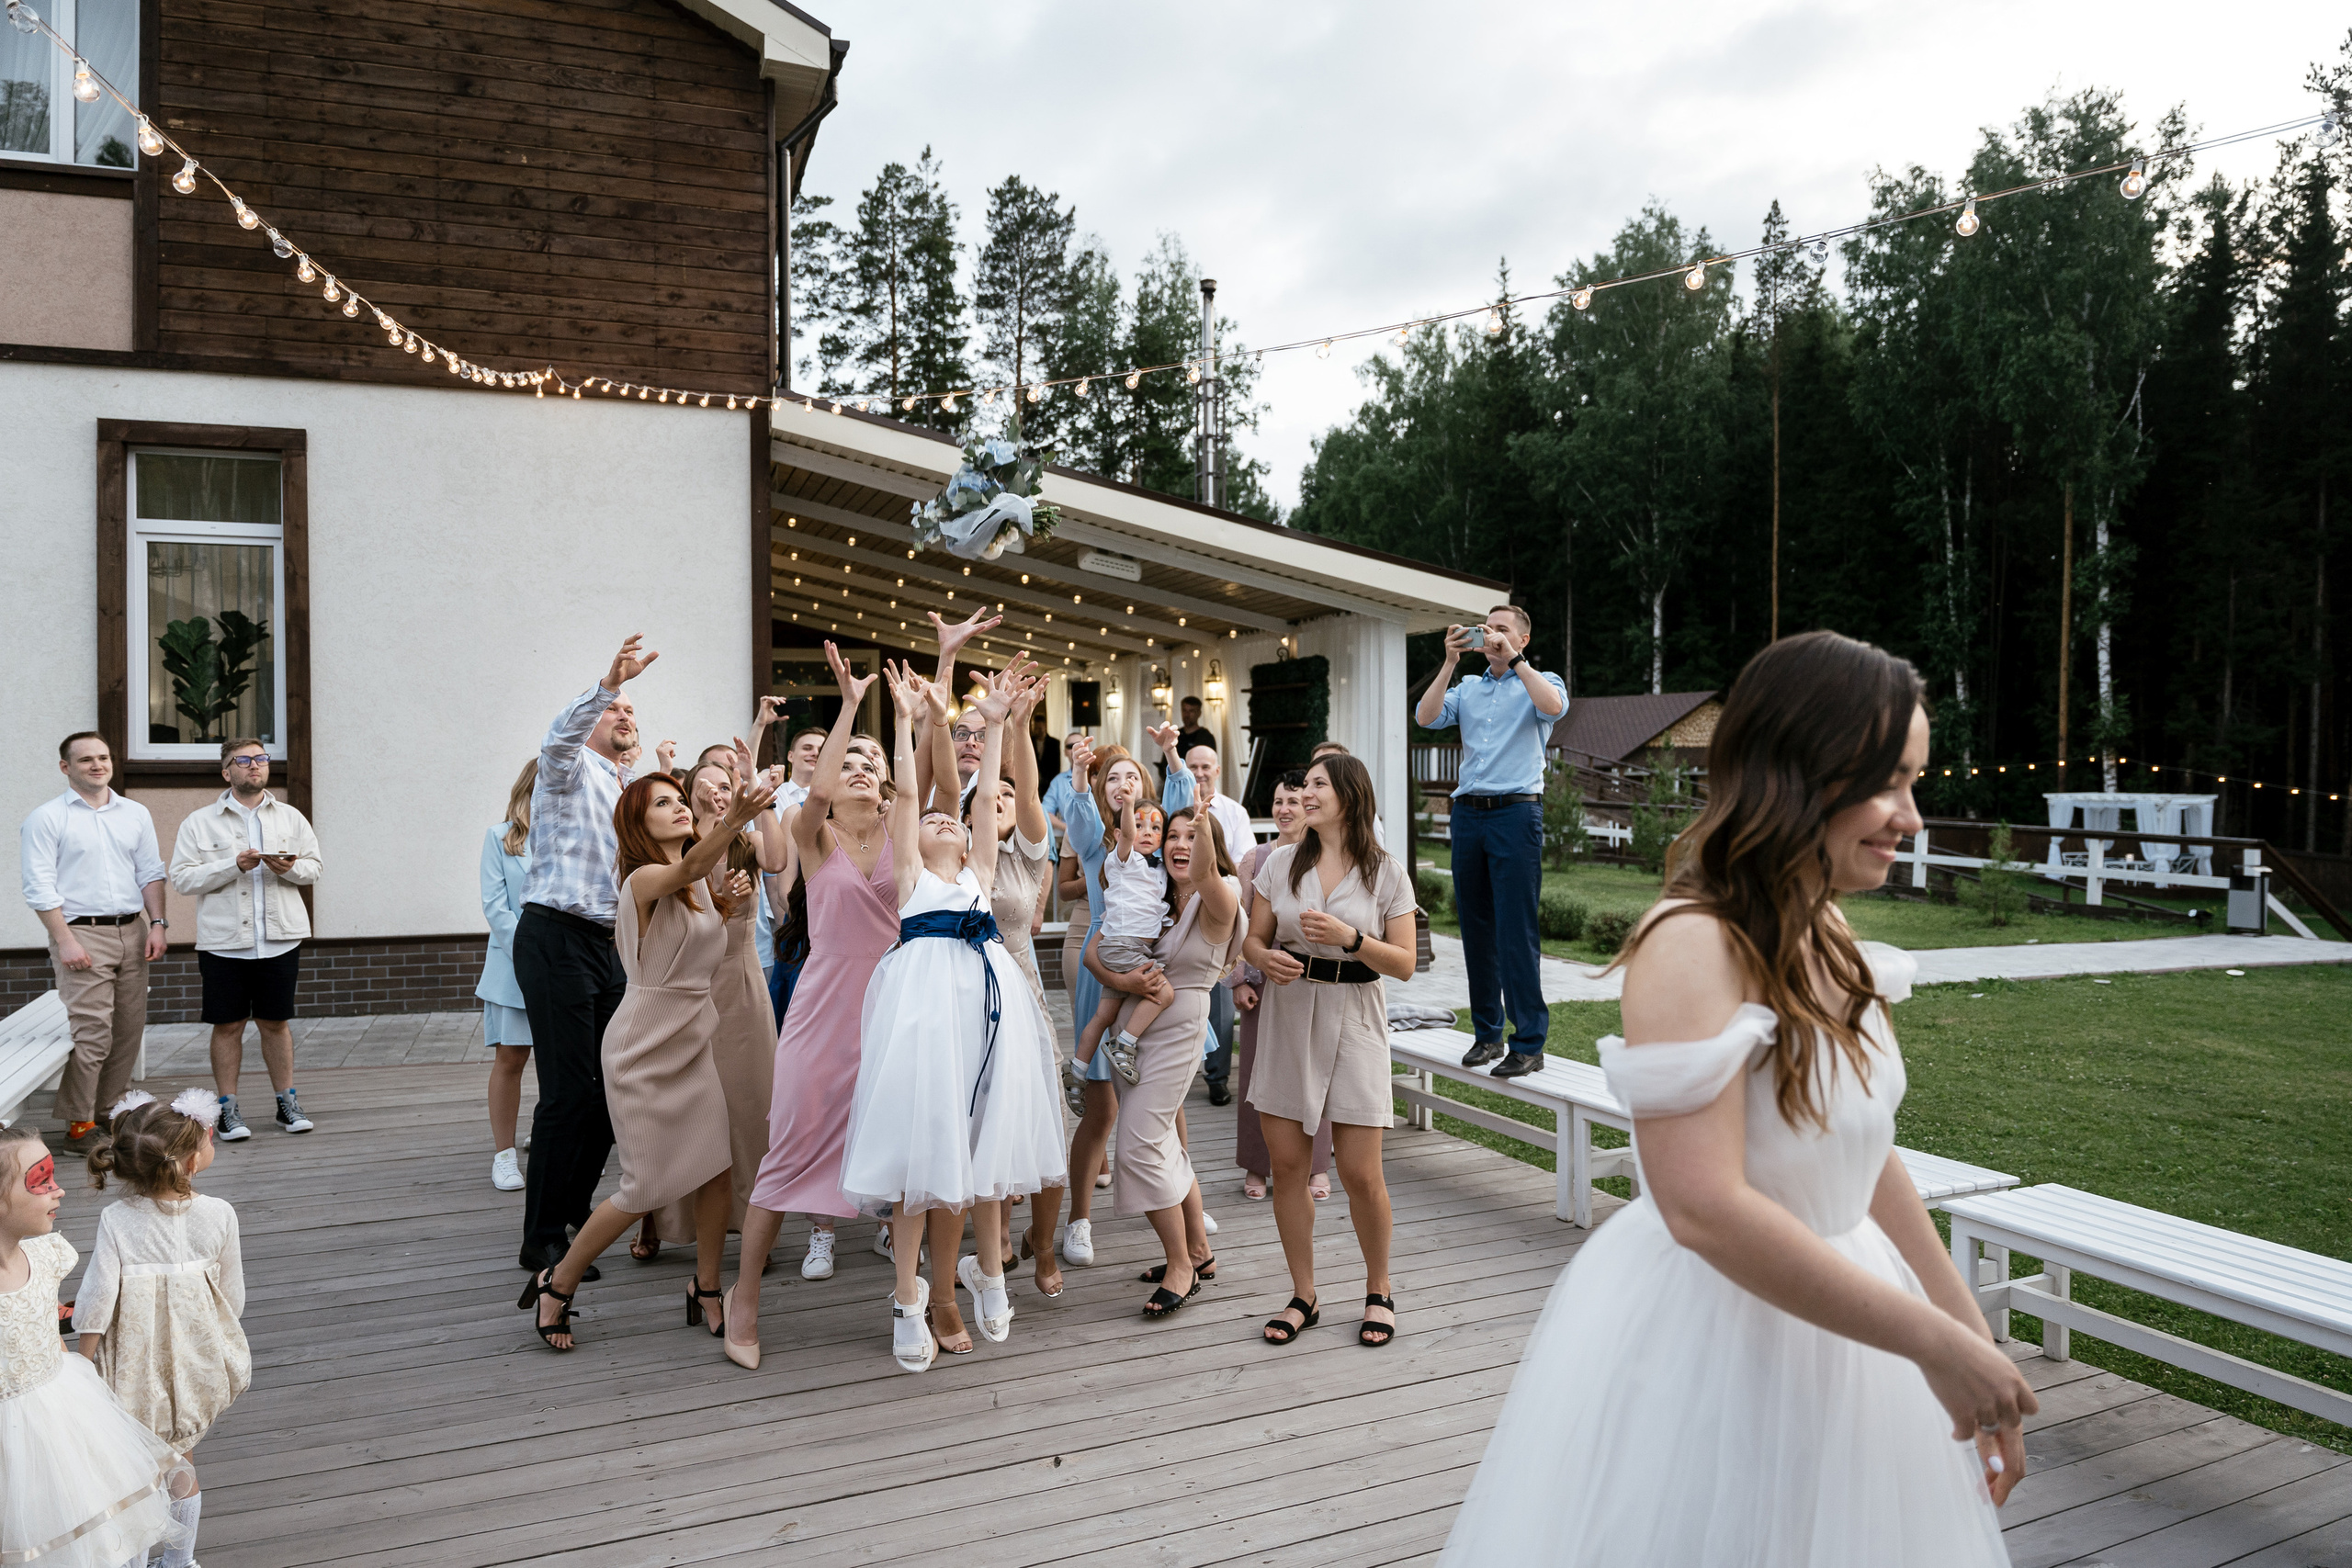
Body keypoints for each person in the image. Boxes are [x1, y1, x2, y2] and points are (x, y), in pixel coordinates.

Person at [1433, 630, 2032, 1564]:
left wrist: (1966, 1333)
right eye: (1890, 783)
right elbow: (1700, 1205)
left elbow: (1863, 1156)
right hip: (1720, 1346)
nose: (1910, 818)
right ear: (1801, 770)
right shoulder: (1691, 942)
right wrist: (1932, 1344)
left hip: (1855, 1328)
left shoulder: (1826, 927)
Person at [836, 660, 1067, 1371]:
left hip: (988, 1012)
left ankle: (990, 1273)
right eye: (932, 816)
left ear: (970, 842)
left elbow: (982, 795)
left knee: (986, 1150)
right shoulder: (910, 876)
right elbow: (908, 793)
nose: (942, 816)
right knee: (920, 1154)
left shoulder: (981, 872)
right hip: (923, 1013)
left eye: (955, 818)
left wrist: (996, 723)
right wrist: (903, 723)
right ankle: (908, 1296)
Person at [518, 769, 775, 1352]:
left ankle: (706, 1287)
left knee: (715, 1172)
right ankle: (557, 1282)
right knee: (643, 1188)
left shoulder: (700, 884)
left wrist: (731, 908)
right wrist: (734, 818)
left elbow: (702, 953)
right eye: (664, 802)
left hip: (692, 1041)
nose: (681, 807)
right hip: (643, 1046)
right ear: (637, 821)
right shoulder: (642, 877)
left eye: (681, 800)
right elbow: (683, 870)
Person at [725, 645, 907, 1364]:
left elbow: (944, 790)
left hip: (891, 1010)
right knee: (789, 1150)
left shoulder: (905, 837)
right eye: (849, 764)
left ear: (890, 787)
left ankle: (915, 1301)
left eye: (872, 765)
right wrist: (850, 706)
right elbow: (820, 789)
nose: (859, 771)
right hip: (821, 1010)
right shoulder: (813, 835)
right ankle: (744, 1303)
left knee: (902, 1151)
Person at [1244, 753, 1419, 1349]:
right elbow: (1254, 937)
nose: (1305, 792)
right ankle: (1304, 1293)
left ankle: (1379, 1288)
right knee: (1288, 1165)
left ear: (1349, 795)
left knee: (1359, 1172)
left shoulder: (1385, 871)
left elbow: (1405, 963)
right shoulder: (1281, 863)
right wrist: (1263, 959)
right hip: (1289, 1015)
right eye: (1304, 783)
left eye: (1318, 784)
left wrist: (1351, 937)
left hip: (1357, 1016)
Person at [512, 635, 650, 1280]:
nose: (625, 716)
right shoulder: (566, 769)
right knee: (567, 1094)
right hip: (555, 936)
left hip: (607, 945)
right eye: (614, 710)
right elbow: (557, 739)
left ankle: (570, 1216)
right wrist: (605, 682)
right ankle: (540, 1237)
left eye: (631, 712)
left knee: (611, 1091)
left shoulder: (626, 786)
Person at [0, 1122, 193, 1568]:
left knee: (81, 1529)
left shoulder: (44, 1257)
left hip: (62, 1417)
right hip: (11, 1441)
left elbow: (48, 1336)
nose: (58, 1190)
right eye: (41, 1181)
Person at [74, 1088, 251, 1568]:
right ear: (192, 1162)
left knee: (132, 1471)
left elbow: (97, 1297)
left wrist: (82, 1363)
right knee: (179, 1459)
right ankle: (178, 1561)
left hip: (133, 1368)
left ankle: (132, 1562)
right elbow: (232, 1297)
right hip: (195, 1363)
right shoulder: (219, 1215)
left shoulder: (118, 1219)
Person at [1088, 804, 1240, 1319]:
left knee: (1137, 1141)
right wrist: (1127, 982)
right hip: (1134, 1027)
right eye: (1172, 836)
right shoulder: (1155, 898)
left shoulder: (1221, 896)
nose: (1178, 844)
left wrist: (1200, 827)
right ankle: (1199, 1251)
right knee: (1167, 1142)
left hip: (1179, 1026)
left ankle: (1180, 1267)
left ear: (1211, 847)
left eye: (1192, 836)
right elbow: (1097, 950)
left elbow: (1203, 871)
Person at [1054, 727, 1193, 1268]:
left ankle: (1184, 1201)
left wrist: (1169, 752)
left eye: (1132, 776)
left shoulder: (1163, 847)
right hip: (1107, 960)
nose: (1124, 785)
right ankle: (1080, 1220)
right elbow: (1084, 812)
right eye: (1114, 778)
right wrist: (1083, 774)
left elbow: (1184, 811)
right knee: (1101, 1107)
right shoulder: (1098, 843)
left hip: (1158, 960)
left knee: (1169, 1097)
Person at [1412, 604, 1566, 1082]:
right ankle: (1487, 1035)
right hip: (1470, 816)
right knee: (1475, 929)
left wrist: (1517, 663)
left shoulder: (1543, 680)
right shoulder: (1468, 688)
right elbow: (1425, 717)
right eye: (1488, 628)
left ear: (1523, 638)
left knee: (1515, 930)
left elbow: (1554, 708)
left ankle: (1529, 1044)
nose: (1493, 636)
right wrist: (1450, 662)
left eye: (1503, 629)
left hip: (1517, 814)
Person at [639, 755, 784, 1256]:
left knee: (748, 1106)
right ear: (689, 788)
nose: (718, 791)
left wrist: (762, 798)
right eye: (707, 784)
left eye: (728, 785)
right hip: (689, 987)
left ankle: (747, 1226)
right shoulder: (678, 850)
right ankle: (660, 1212)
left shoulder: (746, 840)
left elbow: (781, 862)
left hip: (741, 986)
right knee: (682, 1108)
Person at [169, 739, 323, 1141]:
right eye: (243, 761)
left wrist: (287, 868)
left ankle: (286, 1104)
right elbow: (183, 878)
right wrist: (232, 865)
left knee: (276, 1023)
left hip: (280, 938)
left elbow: (313, 869)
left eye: (260, 759)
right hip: (224, 942)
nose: (254, 766)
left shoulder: (291, 817)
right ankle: (227, 1110)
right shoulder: (200, 822)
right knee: (228, 1025)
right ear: (227, 772)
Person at [967, 674, 1066, 1299]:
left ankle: (1046, 1241)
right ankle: (994, 1239)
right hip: (970, 998)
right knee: (986, 1125)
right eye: (988, 791)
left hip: (1023, 994)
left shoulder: (1029, 855)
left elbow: (1027, 791)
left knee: (1045, 1120)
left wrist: (1020, 725)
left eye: (1006, 791)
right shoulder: (955, 853)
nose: (1000, 795)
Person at [19, 731, 168, 1145]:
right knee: (93, 1032)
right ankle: (79, 1123)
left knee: (127, 1029)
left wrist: (158, 923)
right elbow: (39, 886)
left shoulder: (134, 814)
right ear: (66, 767)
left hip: (133, 930)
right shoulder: (47, 818)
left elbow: (150, 872)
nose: (97, 765)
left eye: (103, 757)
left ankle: (110, 1111)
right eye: (86, 760)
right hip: (80, 932)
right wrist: (64, 940)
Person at [1233, 772, 1333, 1201]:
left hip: (1316, 984)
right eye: (1278, 801)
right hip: (1263, 984)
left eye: (1294, 801)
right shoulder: (1255, 859)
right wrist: (1239, 980)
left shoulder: (1326, 857)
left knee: (1315, 1075)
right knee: (1258, 1077)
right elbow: (1234, 926)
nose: (1285, 809)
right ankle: (1257, 1165)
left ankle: (1316, 1168)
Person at [1072, 785, 1176, 1088]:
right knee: (1165, 994)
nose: (1147, 832)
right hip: (1122, 947)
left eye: (1155, 827)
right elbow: (1130, 835)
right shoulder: (1124, 861)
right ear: (1118, 834)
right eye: (1139, 824)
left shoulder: (1160, 870)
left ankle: (1077, 1071)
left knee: (1104, 1015)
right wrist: (1129, 804)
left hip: (1128, 949)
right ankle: (1124, 1045)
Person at [478, 759, 537, 1191]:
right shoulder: (499, 838)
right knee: (511, 1057)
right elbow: (495, 906)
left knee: (564, 1063)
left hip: (566, 965)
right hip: (514, 963)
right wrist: (535, 950)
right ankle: (504, 1155)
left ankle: (551, 1138)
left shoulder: (574, 835)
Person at [1184, 743, 1251, 1105]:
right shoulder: (1176, 802)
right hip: (1182, 907)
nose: (1199, 772)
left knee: (1220, 998)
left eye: (1205, 766)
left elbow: (1240, 862)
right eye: (1192, 765)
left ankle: (1218, 1076)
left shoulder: (1234, 812)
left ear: (1217, 769)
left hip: (1221, 904)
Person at [1171, 695, 1216, 768]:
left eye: (1191, 711)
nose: (1187, 715)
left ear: (1199, 713)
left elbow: (1210, 764)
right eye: (1184, 710)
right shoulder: (1175, 735)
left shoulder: (1206, 737)